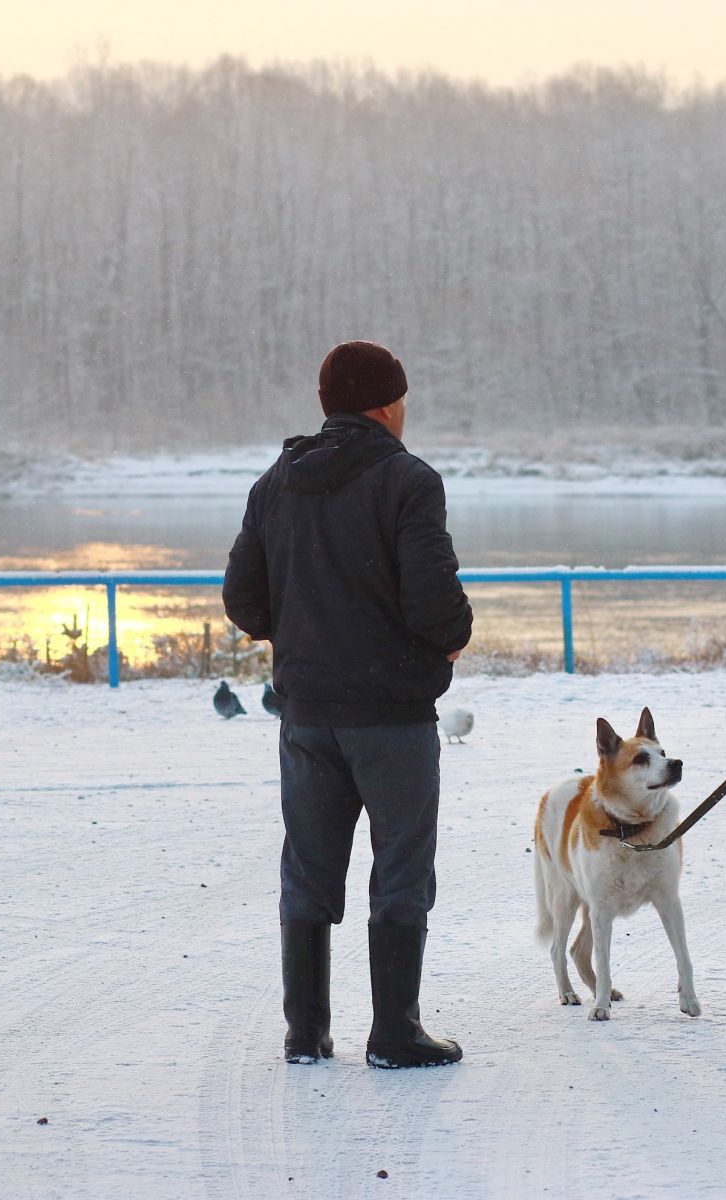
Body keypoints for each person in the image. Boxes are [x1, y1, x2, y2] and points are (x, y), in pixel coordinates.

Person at [223, 340, 473, 1069]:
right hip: (391, 716)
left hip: (305, 713)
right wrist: (451, 639)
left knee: (307, 868)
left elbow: (243, 599)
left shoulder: (277, 482)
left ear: (328, 404)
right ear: (390, 405)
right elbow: (435, 605)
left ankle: (306, 1034)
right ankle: (394, 1032)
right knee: (400, 868)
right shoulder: (407, 481)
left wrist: (298, 632)